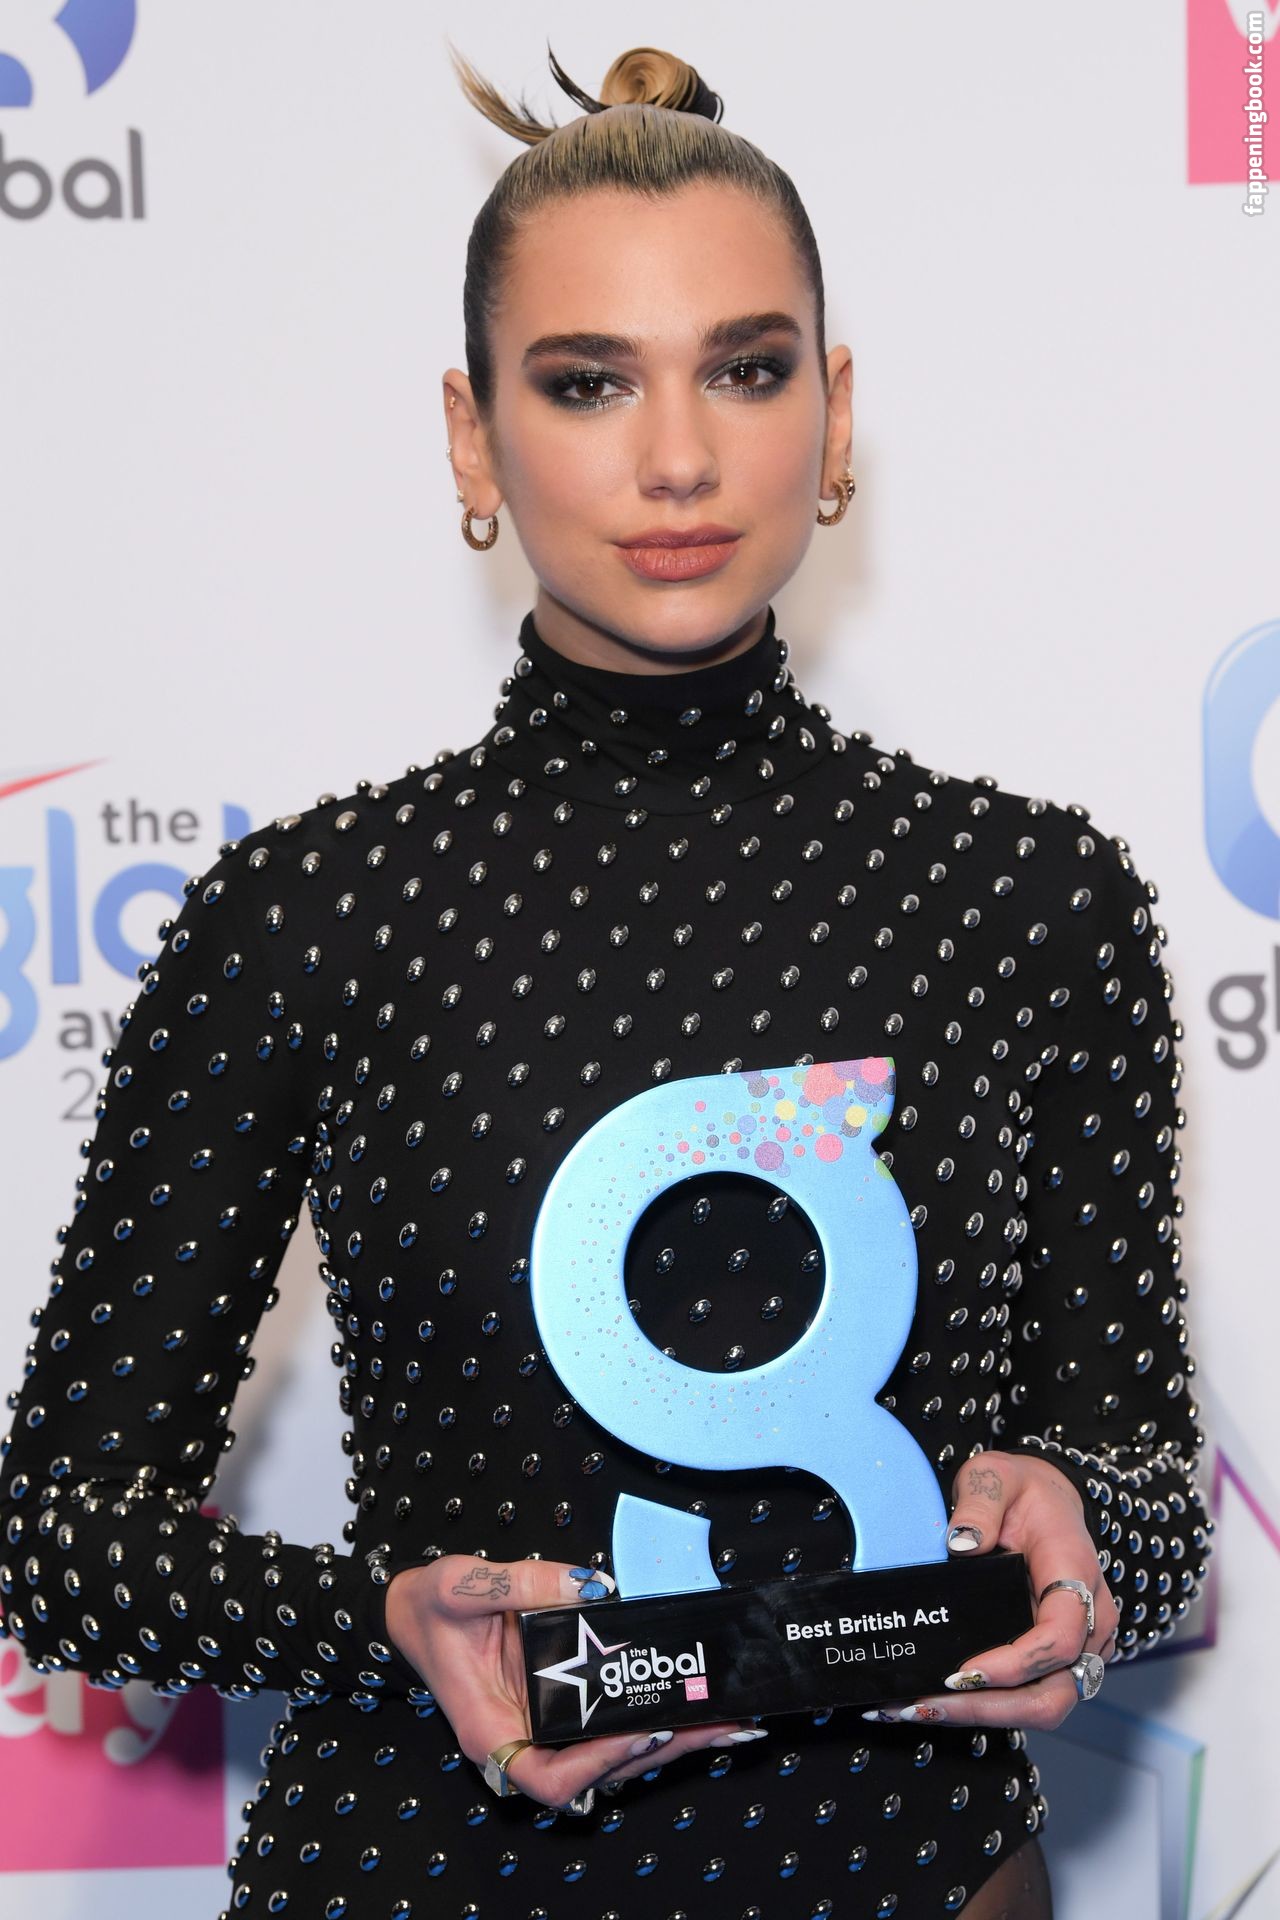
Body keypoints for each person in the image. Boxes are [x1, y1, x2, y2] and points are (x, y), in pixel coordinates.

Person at [0, 40, 1213, 1920]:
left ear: (837, 409)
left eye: (747, 367)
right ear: (471, 437)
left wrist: (1084, 1529)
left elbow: (1144, 1479)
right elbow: (62, 1544)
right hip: (418, 1877)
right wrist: (388, 1621)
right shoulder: (310, 918)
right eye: (587, 382)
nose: (677, 457)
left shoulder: (1032, 904)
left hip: (910, 1879)